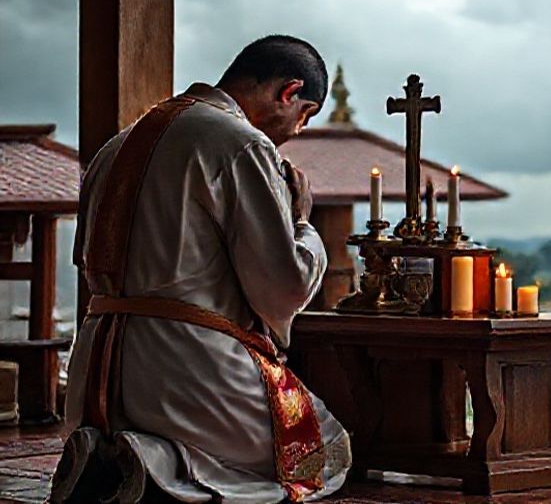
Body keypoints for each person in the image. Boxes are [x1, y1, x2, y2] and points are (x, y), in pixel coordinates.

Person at [52, 35, 351, 503]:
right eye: (305, 114)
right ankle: (160, 464)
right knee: (323, 450)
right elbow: (282, 288)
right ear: (289, 92)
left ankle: (106, 451)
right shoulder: (240, 144)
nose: (297, 131)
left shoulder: (118, 145)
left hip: (93, 381)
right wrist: (302, 222)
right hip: (187, 376)